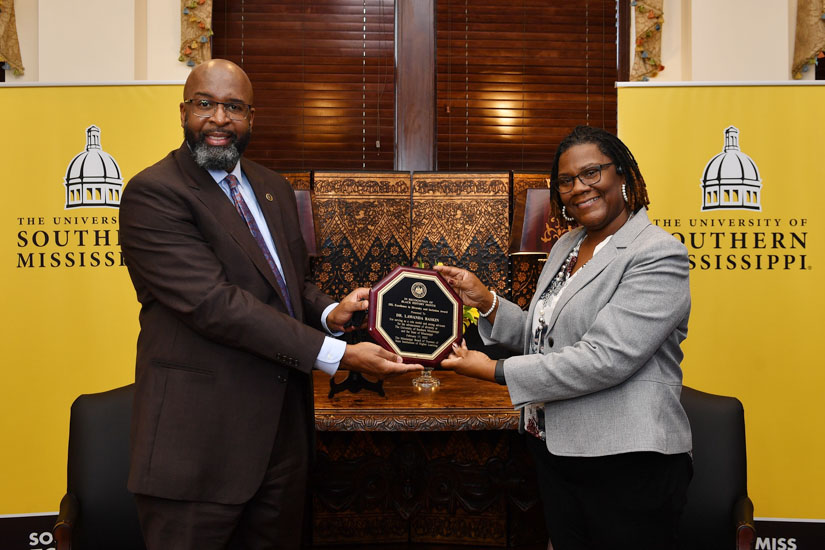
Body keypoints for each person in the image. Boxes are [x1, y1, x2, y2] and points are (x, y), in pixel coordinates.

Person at [119, 59, 421, 550]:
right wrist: (338, 354)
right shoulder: (154, 194)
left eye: (234, 107)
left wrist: (329, 310)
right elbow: (216, 304)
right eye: (205, 104)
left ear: (251, 118)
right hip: (198, 448)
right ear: (182, 113)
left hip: (281, 443)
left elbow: (285, 283)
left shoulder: (274, 188)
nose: (219, 119)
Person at [436, 125, 693, 550]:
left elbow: (604, 358)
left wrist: (495, 370)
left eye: (592, 173)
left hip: (627, 461)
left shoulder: (657, 253)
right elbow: (547, 337)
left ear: (623, 175)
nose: (579, 188)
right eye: (567, 181)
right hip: (555, 448)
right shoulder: (568, 246)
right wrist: (487, 301)